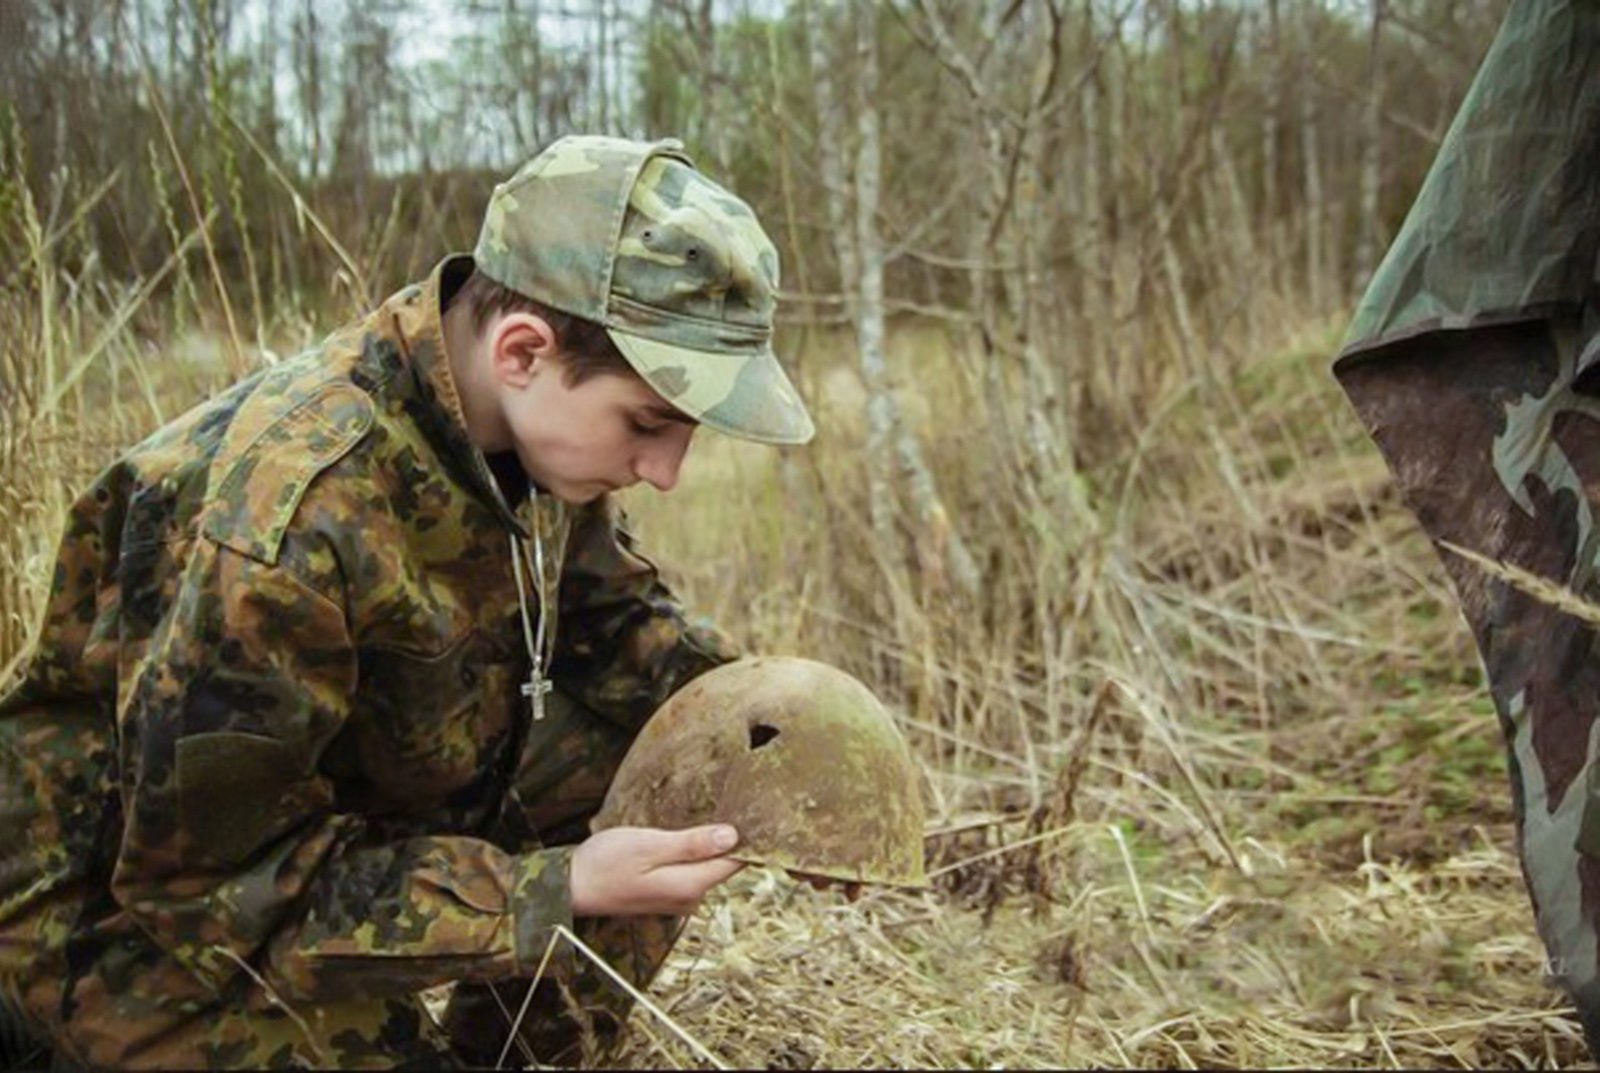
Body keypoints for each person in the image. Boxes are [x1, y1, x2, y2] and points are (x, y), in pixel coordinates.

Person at [0, 134, 815, 1068]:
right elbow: (205, 890)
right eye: (648, 424)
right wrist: (551, 889)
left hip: (333, 811)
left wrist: (791, 753)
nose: (666, 472)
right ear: (522, 349)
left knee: (671, 750)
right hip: (121, 924)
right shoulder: (283, 516)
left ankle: (524, 1052)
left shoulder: (529, 438)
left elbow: (619, 634)